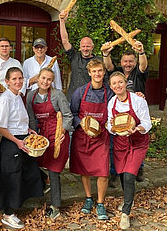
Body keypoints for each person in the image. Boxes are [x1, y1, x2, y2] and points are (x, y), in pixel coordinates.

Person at [0, 67, 43, 229]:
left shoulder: (18, 96)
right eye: (14, 79)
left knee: (26, 173)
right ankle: (8, 214)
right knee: (12, 177)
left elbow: (18, 120)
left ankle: (16, 207)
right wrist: (17, 141)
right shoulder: (4, 100)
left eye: (20, 78)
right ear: (6, 81)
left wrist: (27, 130)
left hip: (23, 139)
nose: (18, 82)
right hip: (11, 143)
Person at [26, 68, 73, 220]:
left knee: (54, 171)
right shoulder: (31, 96)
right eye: (43, 78)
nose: (45, 82)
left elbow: (67, 115)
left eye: (49, 79)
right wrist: (33, 137)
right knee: (31, 162)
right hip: (41, 135)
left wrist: (63, 132)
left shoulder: (57, 95)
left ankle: (55, 206)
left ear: (52, 82)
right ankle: (43, 182)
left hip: (58, 136)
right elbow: (32, 119)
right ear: (37, 78)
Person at [106, 71, 151, 230]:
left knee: (130, 176)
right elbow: (110, 127)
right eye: (114, 84)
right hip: (120, 144)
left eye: (120, 82)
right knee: (123, 175)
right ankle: (128, 200)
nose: (117, 86)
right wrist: (112, 126)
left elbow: (147, 122)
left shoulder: (138, 100)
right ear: (111, 87)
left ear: (126, 83)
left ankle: (125, 213)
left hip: (137, 142)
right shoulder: (111, 103)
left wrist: (137, 128)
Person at [69, 59, 113, 220]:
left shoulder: (110, 92)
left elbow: (117, 110)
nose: (97, 74)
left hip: (101, 136)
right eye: (94, 71)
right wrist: (83, 123)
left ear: (103, 72)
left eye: (100, 71)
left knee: (103, 171)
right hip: (82, 136)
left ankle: (100, 203)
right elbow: (72, 112)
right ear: (89, 73)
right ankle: (88, 198)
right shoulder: (80, 92)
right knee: (84, 170)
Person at [103, 42, 148, 184]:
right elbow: (108, 66)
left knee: (137, 142)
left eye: (130, 61)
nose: (128, 64)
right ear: (121, 62)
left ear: (134, 62)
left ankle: (138, 168)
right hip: (119, 114)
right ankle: (115, 172)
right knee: (114, 146)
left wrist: (141, 52)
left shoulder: (138, 73)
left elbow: (143, 65)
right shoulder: (118, 73)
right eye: (125, 61)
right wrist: (105, 54)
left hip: (136, 114)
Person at [59, 11, 106, 100]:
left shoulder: (99, 61)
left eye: (88, 46)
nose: (85, 49)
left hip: (91, 98)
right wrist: (62, 21)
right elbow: (65, 40)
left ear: (92, 47)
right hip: (73, 97)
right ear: (80, 47)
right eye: (83, 46)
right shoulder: (74, 57)